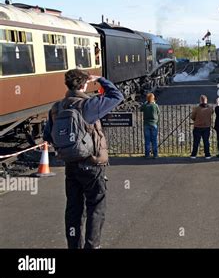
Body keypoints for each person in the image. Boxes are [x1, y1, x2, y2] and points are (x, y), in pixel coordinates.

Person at [43, 69, 124, 249]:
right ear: (84, 84)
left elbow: (48, 136)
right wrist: (102, 79)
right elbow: (117, 96)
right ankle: (92, 245)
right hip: (92, 164)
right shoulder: (89, 105)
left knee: (73, 209)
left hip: (70, 166)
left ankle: (74, 245)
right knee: (96, 206)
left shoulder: (56, 108)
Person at [190, 95, 213, 159]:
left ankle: (193, 155)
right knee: (206, 141)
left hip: (198, 127)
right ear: (206, 100)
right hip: (206, 126)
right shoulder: (210, 108)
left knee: (196, 142)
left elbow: (192, 117)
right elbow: (212, 113)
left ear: (200, 100)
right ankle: (207, 154)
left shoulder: (196, 108)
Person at [140, 93, 160, 158]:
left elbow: (140, 109)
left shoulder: (145, 105)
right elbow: (158, 113)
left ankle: (147, 155)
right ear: (153, 98)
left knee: (147, 140)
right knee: (154, 140)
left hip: (146, 124)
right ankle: (155, 155)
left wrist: (145, 102)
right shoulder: (155, 105)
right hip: (154, 124)